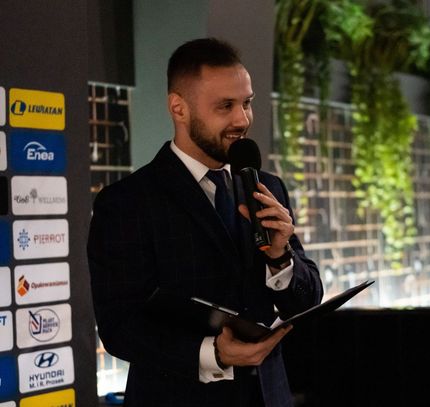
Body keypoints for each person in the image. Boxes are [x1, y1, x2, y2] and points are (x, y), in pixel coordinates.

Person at [87, 38, 323, 407]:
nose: (242, 119)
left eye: (247, 103)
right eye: (225, 106)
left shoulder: (268, 187)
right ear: (178, 108)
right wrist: (212, 353)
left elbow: (307, 300)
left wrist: (281, 258)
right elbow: (120, 327)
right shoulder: (126, 202)